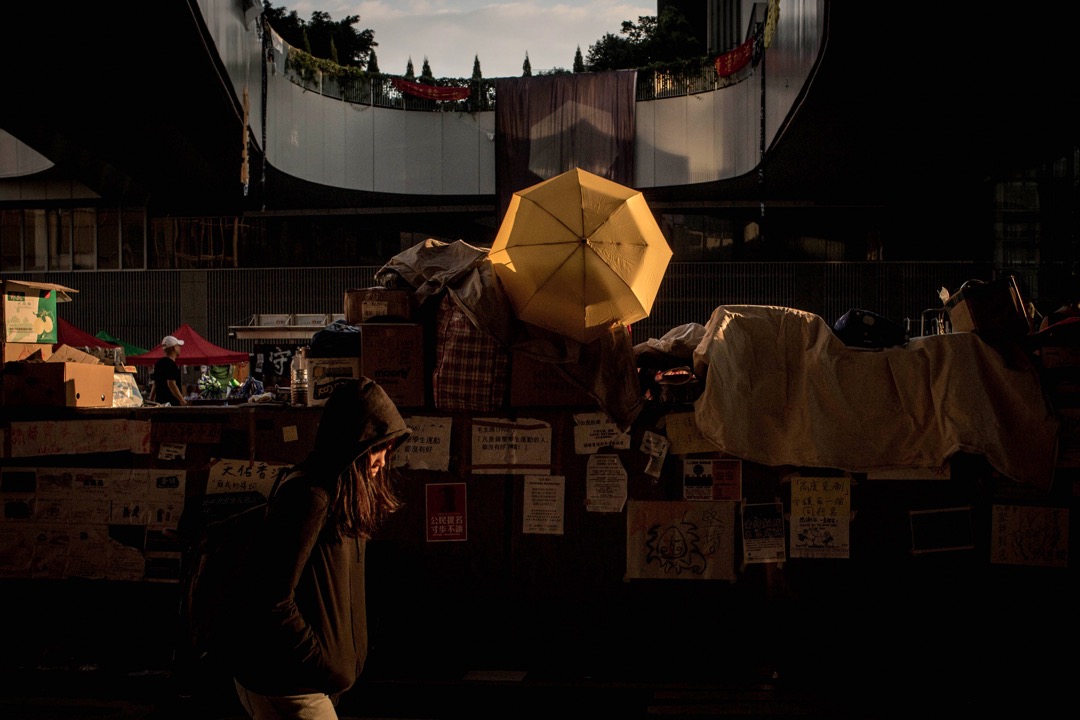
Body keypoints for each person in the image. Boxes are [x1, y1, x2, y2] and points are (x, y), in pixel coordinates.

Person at [225, 377, 411, 719]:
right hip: (289, 687)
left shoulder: (341, 494)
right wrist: (323, 666)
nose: (384, 460)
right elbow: (271, 598)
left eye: (389, 447)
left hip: (306, 684)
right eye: (378, 447)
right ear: (353, 442)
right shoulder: (310, 497)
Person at [151, 335, 187, 406]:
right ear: (174, 348)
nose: (180, 348)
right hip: (171, 405)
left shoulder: (158, 363)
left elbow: (155, 384)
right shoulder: (171, 365)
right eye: (178, 346)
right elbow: (171, 384)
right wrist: (183, 401)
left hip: (160, 404)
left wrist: (151, 400)